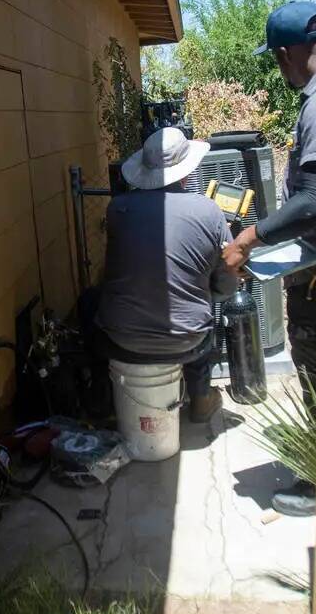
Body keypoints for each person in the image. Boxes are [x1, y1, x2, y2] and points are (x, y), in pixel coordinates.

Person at [223, 1, 316, 517]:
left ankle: (315, 484)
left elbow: (315, 201)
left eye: (276, 61)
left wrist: (249, 238)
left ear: (286, 54)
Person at [93, 127, 238, 424]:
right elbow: (226, 282)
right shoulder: (209, 211)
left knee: (87, 304)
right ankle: (200, 397)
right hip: (189, 340)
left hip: (120, 340)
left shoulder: (117, 208)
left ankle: (103, 400)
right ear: (187, 171)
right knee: (205, 308)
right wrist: (204, 293)